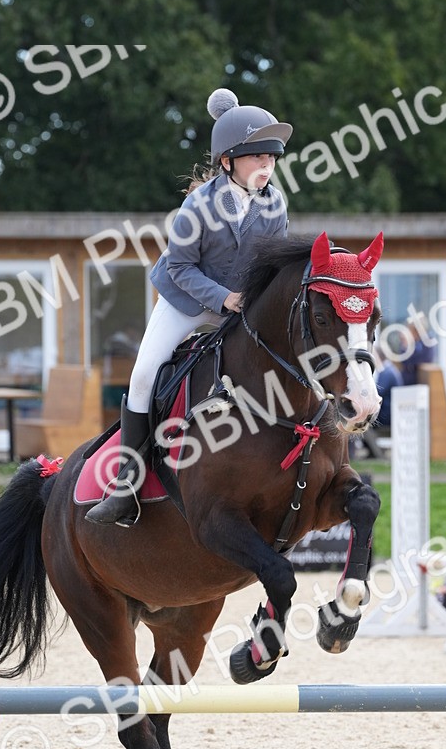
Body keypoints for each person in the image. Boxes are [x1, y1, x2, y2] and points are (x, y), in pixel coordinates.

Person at [86, 88, 293, 526]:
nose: (267, 166)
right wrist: (222, 298)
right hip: (185, 299)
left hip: (240, 303)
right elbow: (179, 267)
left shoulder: (275, 205)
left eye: (271, 158)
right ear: (227, 162)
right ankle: (126, 483)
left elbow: (272, 263)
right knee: (144, 376)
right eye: (257, 157)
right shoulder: (197, 206)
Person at [399, 313, 437, 386]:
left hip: (419, 381)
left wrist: (407, 346)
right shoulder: (413, 341)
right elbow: (403, 360)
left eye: (411, 329)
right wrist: (405, 344)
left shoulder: (428, 340)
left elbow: (423, 359)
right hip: (408, 381)